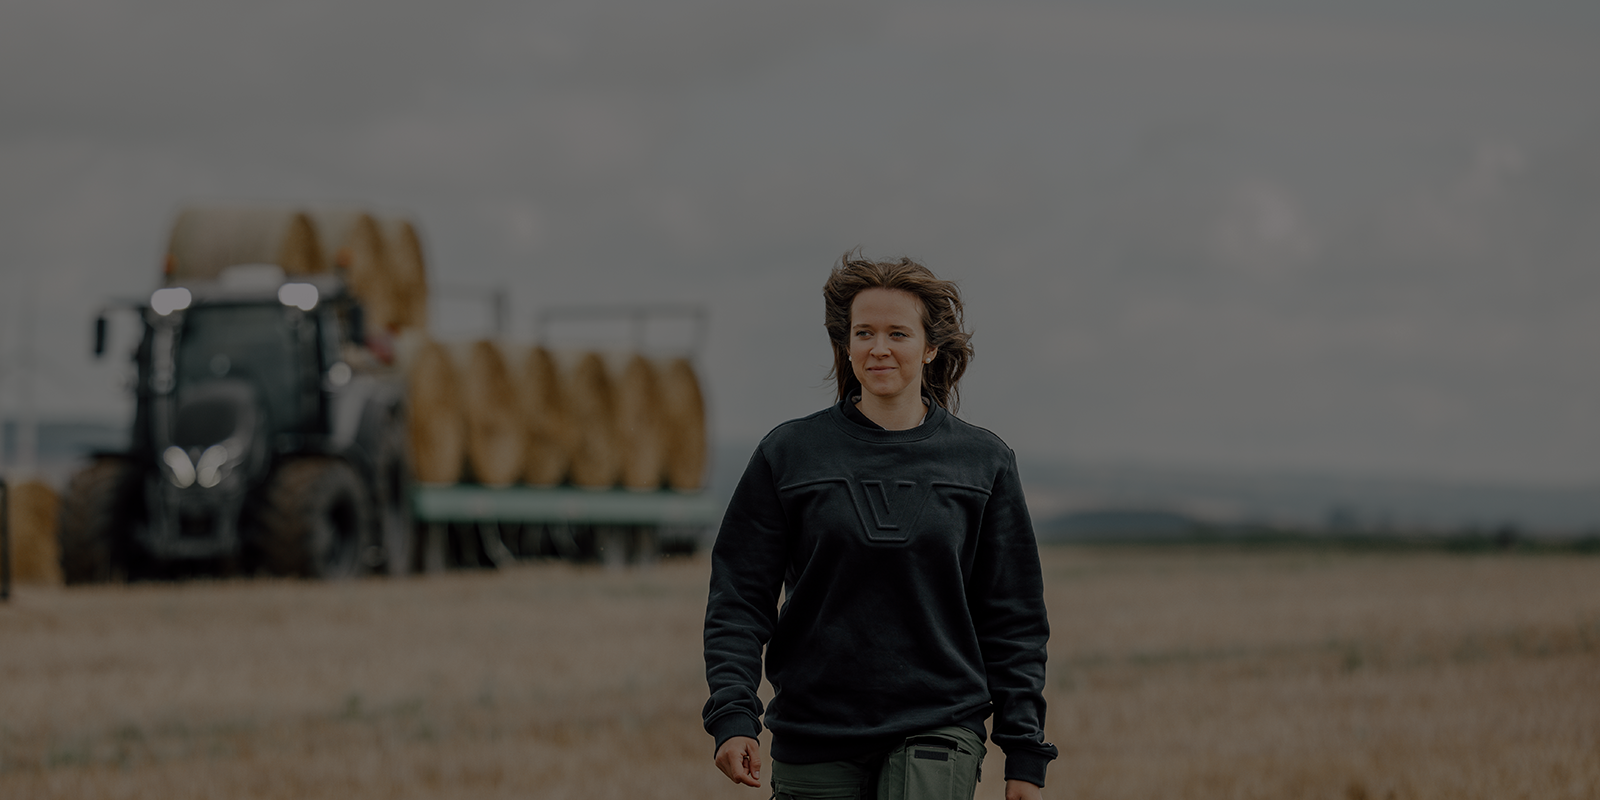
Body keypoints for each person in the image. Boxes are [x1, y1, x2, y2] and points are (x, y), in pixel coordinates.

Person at [703, 252, 1056, 800]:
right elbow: (739, 599)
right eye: (863, 333)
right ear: (846, 345)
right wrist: (733, 714)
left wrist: (1024, 752)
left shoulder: (983, 462)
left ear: (930, 347)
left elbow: (1014, 619)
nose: (879, 347)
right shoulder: (789, 454)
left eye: (898, 333)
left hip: (941, 718)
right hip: (814, 726)